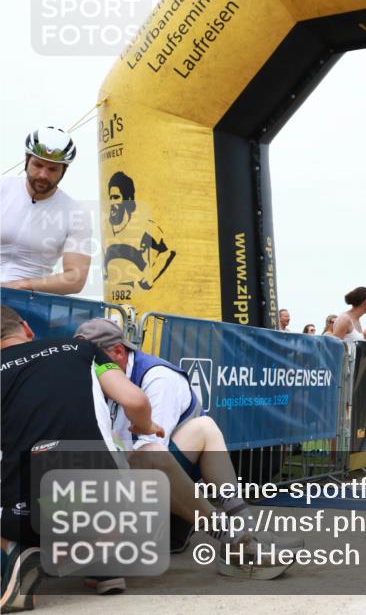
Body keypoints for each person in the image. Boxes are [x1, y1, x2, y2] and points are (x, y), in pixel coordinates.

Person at [73, 318, 300, 580]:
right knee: (199, 431)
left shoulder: (158, 378)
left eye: (98, 362)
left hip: (152, 488)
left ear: (118, 352)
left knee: (198, 430)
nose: (94, 370)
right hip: (126, 495)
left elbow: (149, 451)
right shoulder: (102, 381)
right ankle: (238, 536)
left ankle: (243, 532)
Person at [1, 306, 161, 609]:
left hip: (26, 517)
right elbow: (134, 400)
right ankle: (106, 565)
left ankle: (22, 550)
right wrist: (145, 425)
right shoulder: (81, 349)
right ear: (26, 328)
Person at [1, 127, 91, 295]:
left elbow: (75, 278)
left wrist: (20, 285)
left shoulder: (77, 213)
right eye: (38, 165)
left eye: (52, 169)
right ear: (26, 160)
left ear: (64, 170)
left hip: (27, 301)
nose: (43, 174)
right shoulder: (3, 188)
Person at [103, 170, 175, 296]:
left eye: (116, 197)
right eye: (110, 198)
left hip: (143, 305)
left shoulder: (144, 227)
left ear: (128, 200)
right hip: (116, 308)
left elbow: (168, 251)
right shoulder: (106, 230)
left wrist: (150, 274)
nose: (112, 203)